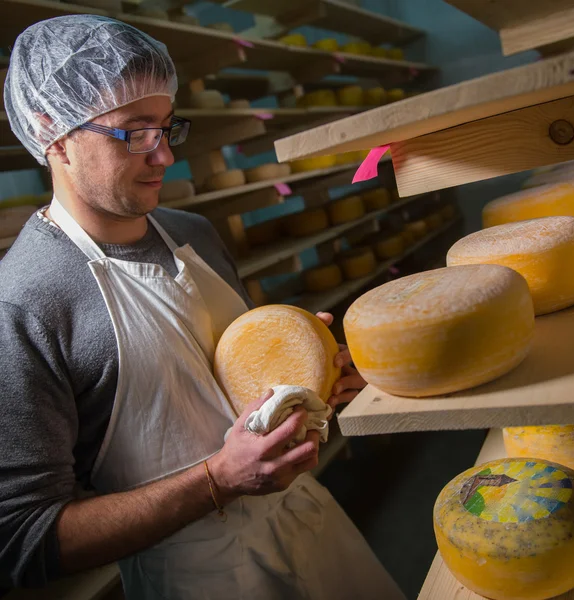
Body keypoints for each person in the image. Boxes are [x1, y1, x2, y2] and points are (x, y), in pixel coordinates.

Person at [0, 14, 406, 600]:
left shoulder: (194, 232)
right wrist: (220, 479)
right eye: (136, 133)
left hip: (310, 528)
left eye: (168, 128)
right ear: (52, 132)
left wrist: (303, 384)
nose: (164, 157)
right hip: (198, 579)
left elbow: (223, 390)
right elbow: (25, 538)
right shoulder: (25, 300)